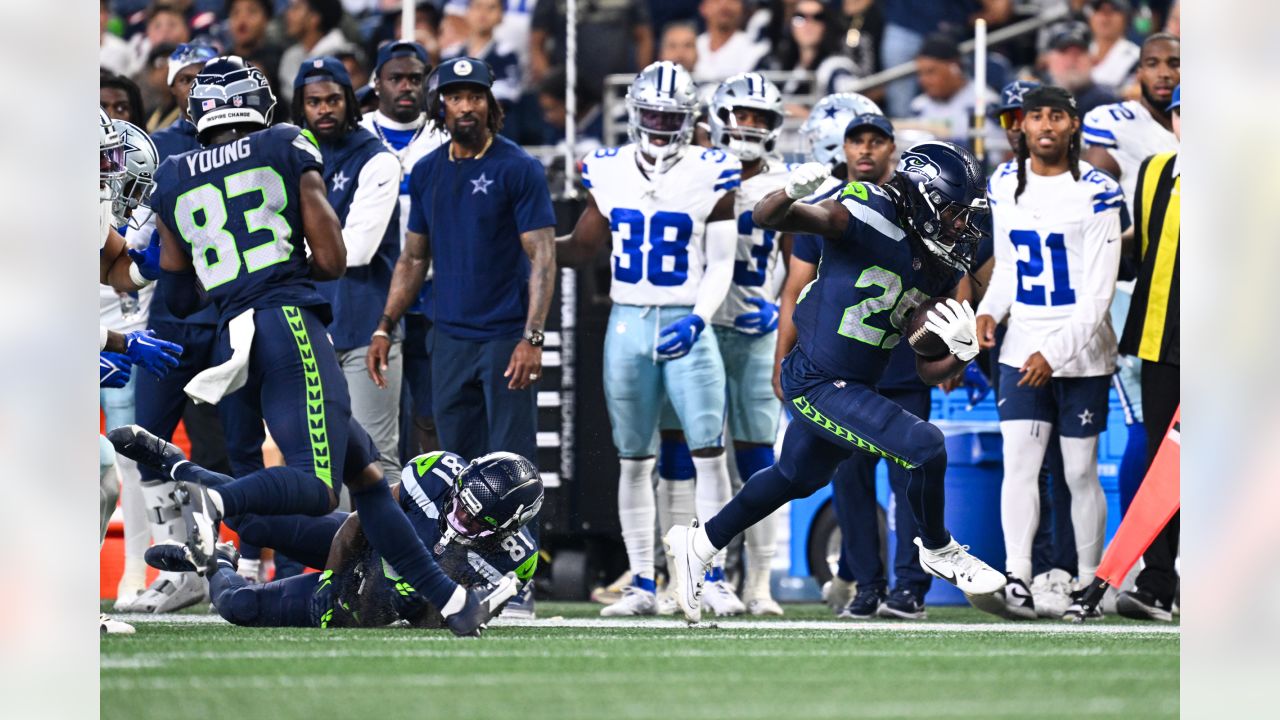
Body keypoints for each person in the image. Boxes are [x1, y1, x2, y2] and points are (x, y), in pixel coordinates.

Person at [129, 55, 509, 637]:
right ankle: (214, 504)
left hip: (239, 340)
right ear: (260, 105)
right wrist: (277, 269)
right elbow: (332, 259)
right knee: (312, 485)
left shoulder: (176, 172)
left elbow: (178, 299)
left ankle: (451, 601)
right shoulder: (284, 144)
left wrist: (211, 268)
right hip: (287, 323)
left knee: (368, 479)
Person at [665, 141, 1008, 624]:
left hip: (856, 384)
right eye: (954, 212)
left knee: (796, 477)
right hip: (816, 378)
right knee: (926, 445)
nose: (962, 227)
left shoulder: (942, 262)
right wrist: (788, 193)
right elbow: (769, 218)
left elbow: (925, 368)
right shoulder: (865, 209)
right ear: (926, 197)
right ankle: (938, 549)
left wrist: (961, 354)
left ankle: (698, 543)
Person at [367, 58, 556, 620]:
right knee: (455, 468)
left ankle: (520, 585)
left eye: (475, 96)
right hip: (448, 338)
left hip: (504, 338)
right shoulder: (426, 171)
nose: (465, 106)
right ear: (440, 105)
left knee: (514, 465)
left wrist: (534, 337)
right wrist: (385, 323)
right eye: (454, 96)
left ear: (491, 103)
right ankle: (460, 579)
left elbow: (542, 254)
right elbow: (413, 256)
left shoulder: (518, 166)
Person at [557, 61, 740, 617]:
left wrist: (699, 318)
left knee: (710, 454)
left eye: (670, 116)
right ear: (634, 114)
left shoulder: (714, 168)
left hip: (687, 317)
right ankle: (640, 580)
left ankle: (711, 576)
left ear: (689, 120)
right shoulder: (606, 168)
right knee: (634, 459)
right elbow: (584, 247)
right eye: (652, 114)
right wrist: (528, 242)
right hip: (627, 320)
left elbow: (721, 262)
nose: (660, 125)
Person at [976, 85, 1126, 621]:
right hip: (1022, 349)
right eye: (1035, 115)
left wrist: (1054, 353)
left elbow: (1098, 294)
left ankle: (1089, 582)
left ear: (1072, 125)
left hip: (1082, 354)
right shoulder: (1002, 183)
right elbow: (1009, 266)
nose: (1044, 125)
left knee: (1079, 471)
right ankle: (1018, 576)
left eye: (1055, 116)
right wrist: (989, 310)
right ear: (1021, 124)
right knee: (1019, 465)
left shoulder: (1100, 192)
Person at [152, 449, 540, 631]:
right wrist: (330, 581)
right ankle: (180, 465)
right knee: (254, 523)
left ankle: (215, 561)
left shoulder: (515, 559)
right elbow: (362, 519)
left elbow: (463, 618)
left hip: (373, 600)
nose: (460, 518)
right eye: (460, 504)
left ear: (508, 526)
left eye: (476, 519)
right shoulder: (435, 472)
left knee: (239, 607)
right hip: (365, 545)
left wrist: (420, 611)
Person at [663, 72, 792, 616]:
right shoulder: (692, 174)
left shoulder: (784, 181)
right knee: (681, 452)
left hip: (755, 330)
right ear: (718, 117)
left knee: (760, 456)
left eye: (761, 118)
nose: (750, 126)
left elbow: (804, 256)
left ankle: (758, 583)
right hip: (699, 326)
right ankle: (679, 578)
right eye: (742, 114)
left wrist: (784, 302)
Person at [293, 57, 403, 481]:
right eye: (314, 101)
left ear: (350, 102)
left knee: (375, 456)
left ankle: (390, 550)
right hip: (308, 325)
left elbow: (355, 249)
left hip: (366, 327)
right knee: (319, 459)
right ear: (300, 106)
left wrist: (283, 250)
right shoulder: (291, 153)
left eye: (334, 99)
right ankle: (333, 549)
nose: (324, 109)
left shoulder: (378, 159)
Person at [359, 41, 447, 459]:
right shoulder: (357, 134)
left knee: (432, 415)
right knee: (374, 417)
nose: (406, 87)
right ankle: (373, 518)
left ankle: (437, 515)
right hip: (373, 288)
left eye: (416, 78)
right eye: (396, 78)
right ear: (377, 83)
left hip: (432, 290)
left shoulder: (445, 134)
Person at [1114, 85, 1180, 622]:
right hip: (1161, 338)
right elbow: (1141, 244)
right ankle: (1158, 582)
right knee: (1164, 465)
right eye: (1184, 111)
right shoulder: (1156, 171)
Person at [1081, 33, 1179, 216]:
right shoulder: (1116, 123)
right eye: (1152, 64)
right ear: (1139, 73)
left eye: (1174, 64)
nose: (1164, 73)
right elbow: (1091, 205)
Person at [529, 0, 653, 90]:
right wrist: (551, 86)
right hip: (569, 90)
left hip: (616, 86)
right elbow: (536, 44)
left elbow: (644, 37)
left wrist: (642, 82)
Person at [909, 33, 1001, 152]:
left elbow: (996, 152)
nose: (923, 80)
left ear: (954, 68)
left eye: (931, 72)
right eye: (920, 73)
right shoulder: (919, 106)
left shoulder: (985, 103)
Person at [756, 0, 859, 97]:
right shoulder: (780, 65)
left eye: (818, 17)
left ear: (828, 25)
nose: (808, 24)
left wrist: (804, 112)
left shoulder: (836, 67)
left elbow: (851, 107)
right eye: (800, 17)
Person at [440, 0, 522, 110]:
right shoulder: (450, 55)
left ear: (501, 15)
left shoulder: (507, 55)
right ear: (467, 11)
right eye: (477, 6)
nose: (483, 13)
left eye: (491, 8)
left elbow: (507, 94)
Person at [1040, 22, 1118, 117]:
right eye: (1064, 53)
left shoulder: (1107, 103)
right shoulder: (1034, 102)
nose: (1072, 59)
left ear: (1092, 59)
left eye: (1079, 53)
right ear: (1047, 60)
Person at [279, 0, 348, 104]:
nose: (287, 14)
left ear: (314, 18)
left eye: (296, 8)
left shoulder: (343, 56)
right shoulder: (291, 55)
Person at [694, 0, 768, 82]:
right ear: (703, 8)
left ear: (742, 8)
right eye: (717, 1)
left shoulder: (756, 49)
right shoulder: (692, 45)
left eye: (732, 1)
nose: (724, 6)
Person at [226, 0, 285, 91]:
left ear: (266, 19)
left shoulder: (280, 59)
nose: (242, 19)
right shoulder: (221, 62)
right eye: (235, 12)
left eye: (252, 12)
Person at [1087, 0, 1140, 90]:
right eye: (1099, 10)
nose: (1105, 17)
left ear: (1125, 19)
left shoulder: (1136, 56)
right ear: (1090, 19)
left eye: (1113, 11)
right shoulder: (1080, 51)